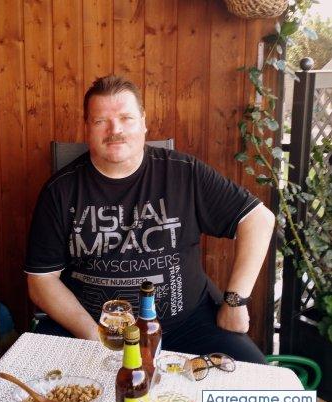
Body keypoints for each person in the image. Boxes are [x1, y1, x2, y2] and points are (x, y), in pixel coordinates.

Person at [24, 75, 275, 364]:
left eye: (126, 118)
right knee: (33, 379)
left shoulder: (185, 173)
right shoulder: (60, 191)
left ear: (143, 122)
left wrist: (235, 301)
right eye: (101, 121)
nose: (115, 130)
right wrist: (95, 337)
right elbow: (41, 281)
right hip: (90, 327)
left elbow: (258, 219)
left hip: (188, 324)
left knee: (257, 379)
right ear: (87, 128)